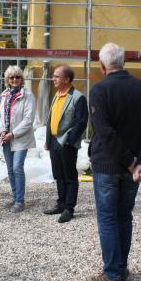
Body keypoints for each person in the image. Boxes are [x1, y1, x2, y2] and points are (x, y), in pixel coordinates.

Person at [86, 43, 141, 281]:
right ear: (124, 62)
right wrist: (140, 162)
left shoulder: (99, 90)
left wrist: (131, 163)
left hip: (109, 165)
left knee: (108, 218)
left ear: (102, 65)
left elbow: (105, 132)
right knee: (124, 216)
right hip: (133, 168)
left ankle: (112, 274)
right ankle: (120, 266)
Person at [43, 64, 88, 223]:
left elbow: (81, 122)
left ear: (67, 79)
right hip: (54, 141)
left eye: (56, 76)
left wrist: (69, 139)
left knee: (69, 176)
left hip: (66, 143)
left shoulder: (78, 97)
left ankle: (69, 208)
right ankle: (61, 203)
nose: (53, 78)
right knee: (58, 174)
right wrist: (48, 140)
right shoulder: (57, 94)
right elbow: (51, 120)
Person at [0, 66, 36, 213]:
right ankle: (15, 196)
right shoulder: (4, 95)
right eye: (11, 77)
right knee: (10, 169)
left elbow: (28, 119)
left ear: (21, 79)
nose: (14, 80)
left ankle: (20, 201)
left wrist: (13, 133)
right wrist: (2, 131)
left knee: (17, 167)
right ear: (7, 79)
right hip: (6, 137)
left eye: (17, 77)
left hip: (21, 138)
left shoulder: (28, 95)